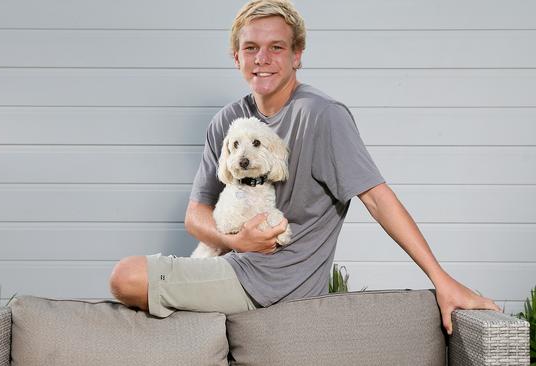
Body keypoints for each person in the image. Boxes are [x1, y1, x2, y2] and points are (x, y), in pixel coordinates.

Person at [109, 0, 501, 335]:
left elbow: (377, 198)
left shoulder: (323, 116)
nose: (262, 59)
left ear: (297, 55)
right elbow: (196, 215)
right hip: (230, 265)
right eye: (251, 48)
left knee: (126, 276)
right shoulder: (226, 124)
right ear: (237, 57)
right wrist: (235, 241)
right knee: (132, 276)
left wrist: (440, 278)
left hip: (276, 284)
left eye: (276, 47)